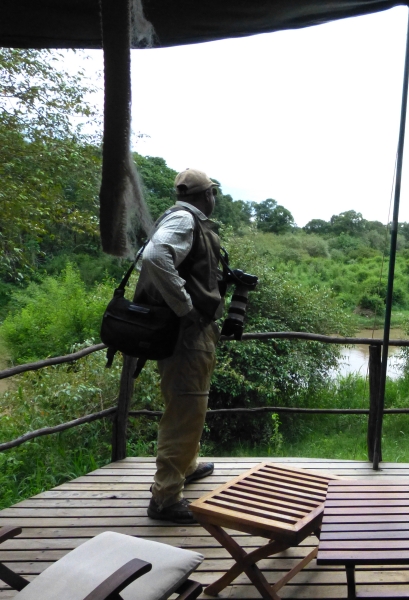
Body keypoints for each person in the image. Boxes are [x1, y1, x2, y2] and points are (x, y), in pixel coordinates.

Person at [135, 168, 225, 524]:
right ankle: (166, 497)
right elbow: (155, 256)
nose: (214, 198)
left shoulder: (177, 217)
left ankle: (186, 467)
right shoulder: (186, 220)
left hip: (183, 332)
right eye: (213, 193)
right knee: (186, 409)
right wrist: (186, 308)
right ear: (207, 194)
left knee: (188, 403)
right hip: (186, 333)